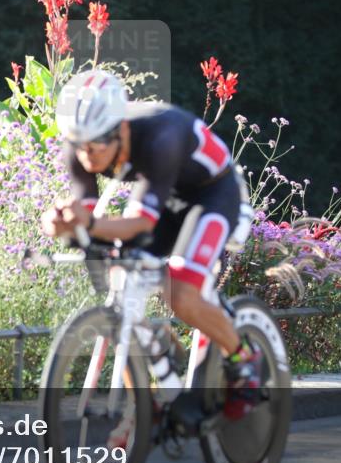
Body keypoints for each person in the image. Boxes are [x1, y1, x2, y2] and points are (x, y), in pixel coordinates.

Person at [40, 69, 263, 443]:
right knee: (121, 281)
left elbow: (138, 224)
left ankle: (243, 359)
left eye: (94, 146)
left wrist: (88, 224)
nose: (85, 155)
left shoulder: (160, 135)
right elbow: (89, 217)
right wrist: (60, 223)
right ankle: (149, 399)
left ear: (120, 130)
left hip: (212, 197)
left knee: (182, 292)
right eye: (77, 145)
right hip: (165, 200)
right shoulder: (81, 146)